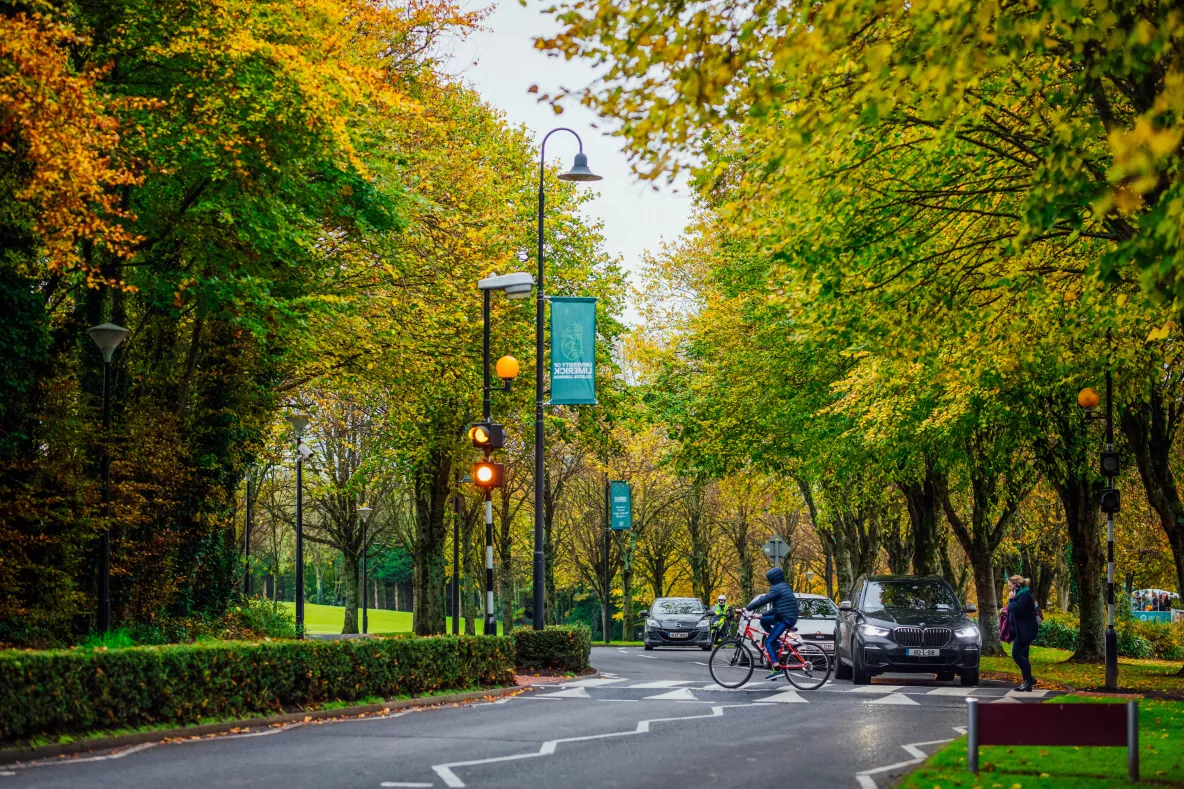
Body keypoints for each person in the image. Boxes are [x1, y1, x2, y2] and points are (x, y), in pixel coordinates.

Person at [745, 566, 799, 679]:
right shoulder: (783, 587)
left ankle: (777, 668)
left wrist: (746, 608)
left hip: (785, 619)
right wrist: (760, 615)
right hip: (784, 616)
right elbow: (776, 609)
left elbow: (764, 600)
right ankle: (777, 643)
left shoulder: (776, 588)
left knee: (768, 642)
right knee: (764, 621)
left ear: (773, 579)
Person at [1007, 575, 1039, 692]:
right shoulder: (1021, 595)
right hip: (1022, 631)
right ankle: (1027, 683)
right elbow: (1014, 610)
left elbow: (1018, 610)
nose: (1008, 587)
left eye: (1009, 584)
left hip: (1026, 632)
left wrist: (1011, 599)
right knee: (1024, 656)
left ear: (1016, 585)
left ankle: (1029, 679)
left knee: (1016, 654)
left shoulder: (1024, 596)